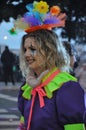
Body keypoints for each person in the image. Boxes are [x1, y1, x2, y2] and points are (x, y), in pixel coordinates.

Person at [16, 1, 85, 130]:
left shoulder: (66, 87)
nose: (27, 55)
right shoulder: (27, 87)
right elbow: (23, 125)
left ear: (49, 50)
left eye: (33, 49)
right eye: (25, 50)